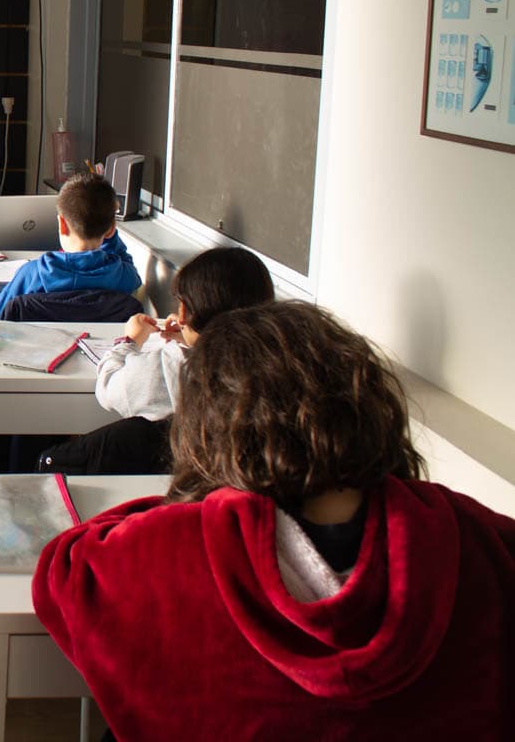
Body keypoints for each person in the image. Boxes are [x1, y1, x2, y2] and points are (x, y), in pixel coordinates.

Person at [34, 303, 515, 740]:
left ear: (209, 423)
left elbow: (63, 571)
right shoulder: (480, 542)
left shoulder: (168, 550)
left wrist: (186, 505)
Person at [37, 245, 275, 474]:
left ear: (182, 313)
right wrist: (191, 335)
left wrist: (129, 341)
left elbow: (108, 388)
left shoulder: (169, 366)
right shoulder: (278, 370)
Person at [0, 172, 140, 319]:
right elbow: (128, 264)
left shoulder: (32, 274)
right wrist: (110, 234)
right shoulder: (122, 276)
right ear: (111, 229)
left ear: (62, 224)